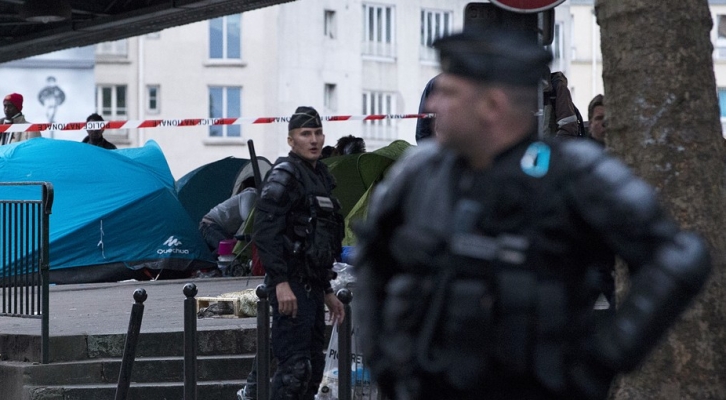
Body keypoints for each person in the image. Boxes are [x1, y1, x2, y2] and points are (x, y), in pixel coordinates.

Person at [353, 29, 710, 400]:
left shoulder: (573, 173)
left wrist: (605, 357)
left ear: (492, 106)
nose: (433, 104)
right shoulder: (418, 173)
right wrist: (384, 364)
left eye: (450, 93)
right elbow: (372, 263)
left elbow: (680, 257)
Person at [238, 106, 345, 400]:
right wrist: (281, 281)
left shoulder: (320, 177)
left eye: (318, 133)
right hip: (291, 285)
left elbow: (318, 240)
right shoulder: (285, 174)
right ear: (291, 140)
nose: (314, 140)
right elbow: (265, 231)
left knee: (312, 370)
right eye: (305, 134)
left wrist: (327, 290)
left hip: (312, 286)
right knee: (294, 371)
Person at [199, 178, 258, 257]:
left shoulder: (252, 196)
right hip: (209, 225)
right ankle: (206, 263)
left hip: (215, 227)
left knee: (232, 249)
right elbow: (247, 218)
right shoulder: (251, 194)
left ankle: (207, 262)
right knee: (228, 248)